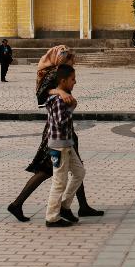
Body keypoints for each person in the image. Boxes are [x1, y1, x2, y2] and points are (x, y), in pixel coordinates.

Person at [8, 45, 102, 222]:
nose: (72, 62)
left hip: (63, 131)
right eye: (69, 59)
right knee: (48, 170)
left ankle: (80, 205)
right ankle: (19, 204)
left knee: (76, 168)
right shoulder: (54, 73)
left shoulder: (59, 72)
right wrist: (58, 91)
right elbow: (42, 96)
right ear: (61, 58)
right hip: (56, 133)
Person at [41, 64, 85, 227]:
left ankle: (65, 206)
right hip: (59, 146)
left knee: (79, 172)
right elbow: (61, 122)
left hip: (67, 144)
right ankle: (52, 217)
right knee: (59, 181)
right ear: (63, 80)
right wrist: (72, 107)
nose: (75, 82)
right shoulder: (59, 100)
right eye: (72, 79)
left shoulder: (60, 96)